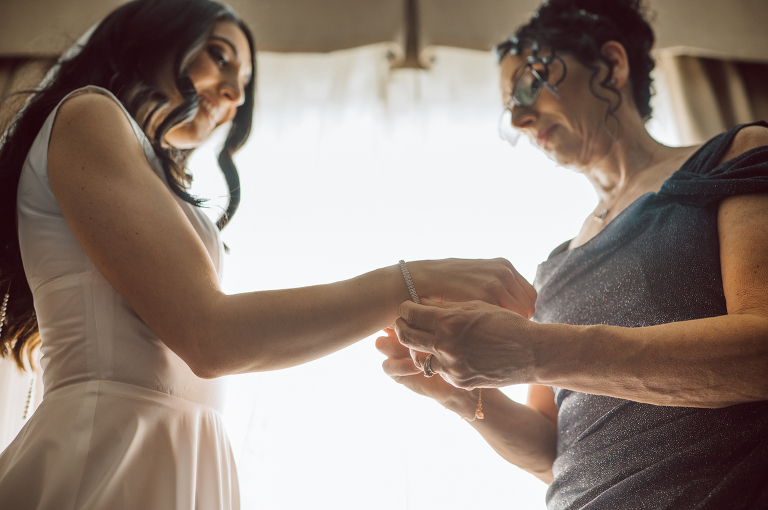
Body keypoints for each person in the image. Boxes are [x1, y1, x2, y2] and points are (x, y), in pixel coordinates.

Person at [0, 0, 537, 508]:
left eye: (245, 84)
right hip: (109, 453)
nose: (233, 92)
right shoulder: (90, 114)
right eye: (219, 56)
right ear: (155, 33)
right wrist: (412, 279)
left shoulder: (138, 163)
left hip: (173, 446)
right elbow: (211, 336)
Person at [377, 0, 768, 508]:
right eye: (508, 105)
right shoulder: (555, 264)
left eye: (527, 84)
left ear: (611, 64)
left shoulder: (734, 154)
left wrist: (535, 350)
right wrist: (460, 395)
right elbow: (551, 451)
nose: (517, 116)